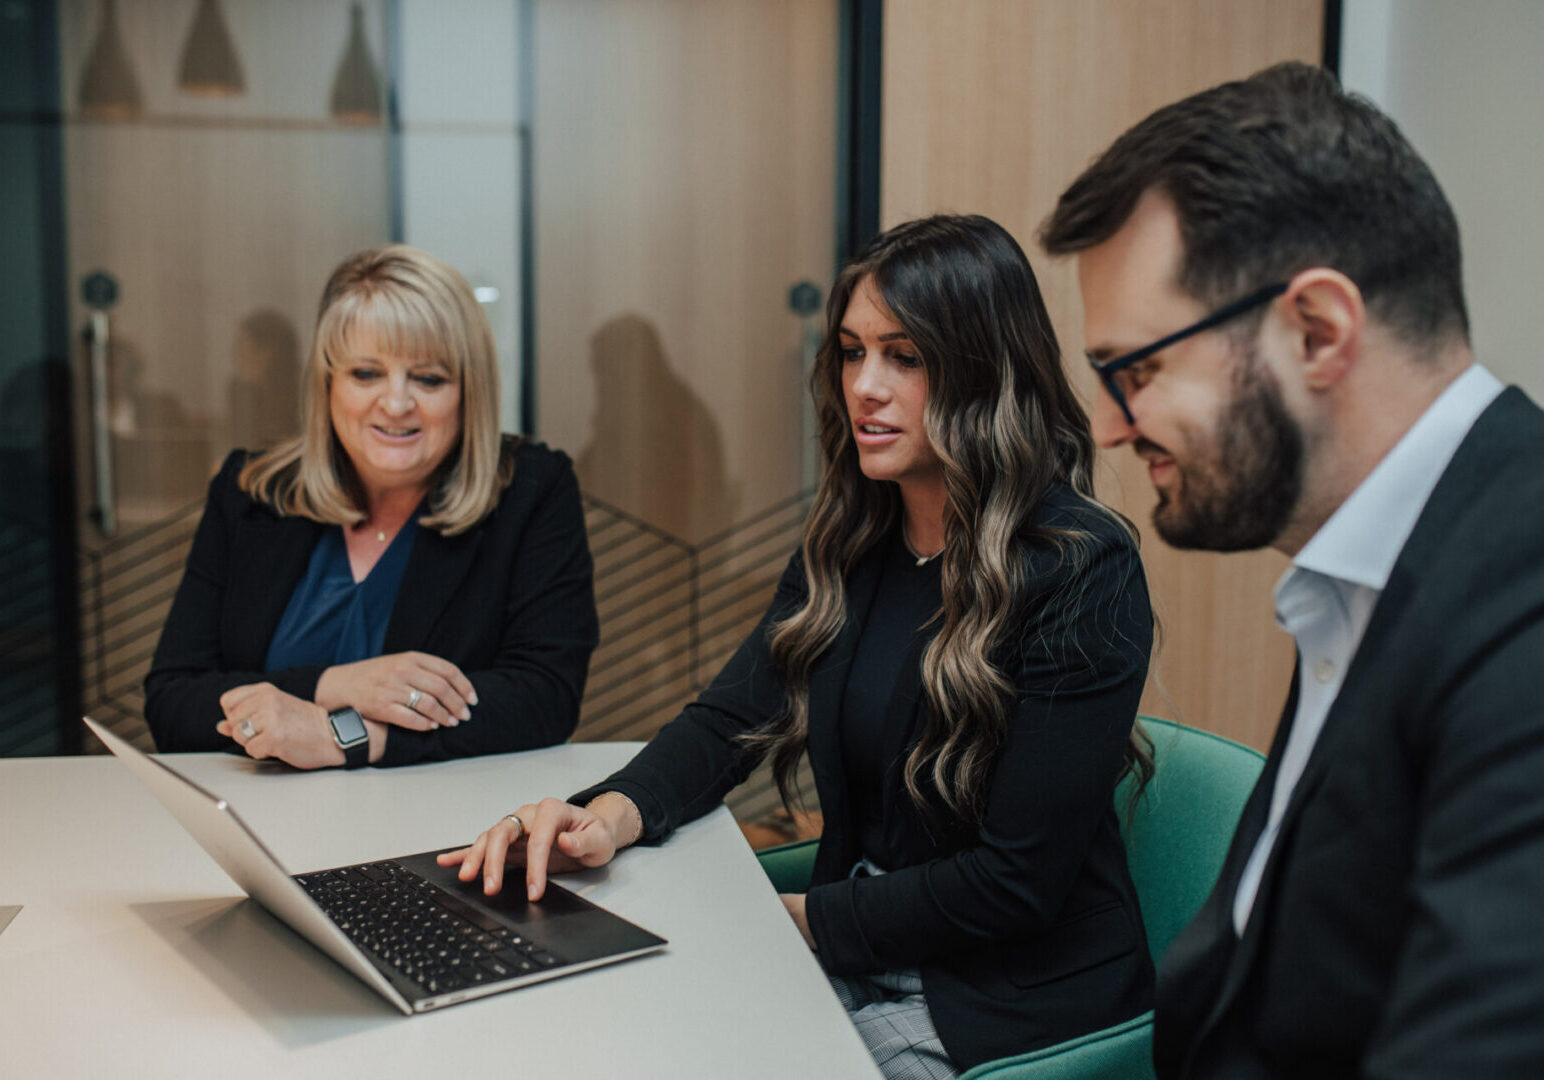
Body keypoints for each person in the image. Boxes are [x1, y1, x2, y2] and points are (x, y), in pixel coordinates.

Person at [440, 215, 1156, 1078]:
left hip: (1008, 993)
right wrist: (604, 815)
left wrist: (793, 923)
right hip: (861, 944)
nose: (866, 386)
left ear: (985, 370)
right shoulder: (854, 540)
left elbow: (1016, 883)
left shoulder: (1081, 566)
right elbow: (730, 718)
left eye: (906, 357)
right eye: (853, 353)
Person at [1039, 62, 1544, 1079]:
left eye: (1134, 371)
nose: (1103, 427)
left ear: (1315, 330)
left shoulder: (1518, 606)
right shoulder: (1385, 568)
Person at [144, 245, 598, 769]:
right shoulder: (251, 492)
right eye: (366, 374)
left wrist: (345, 736)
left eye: (429, 378)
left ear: (469, 391)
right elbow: (173, 703)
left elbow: (545, 698)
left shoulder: (531, 490)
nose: (397, 403)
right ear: (328, 382)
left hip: (441, 823)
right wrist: (336, 685)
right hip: (258, 820)